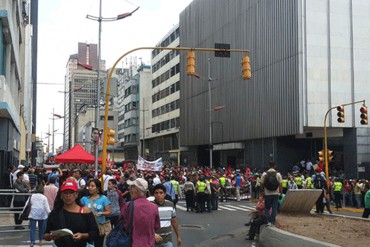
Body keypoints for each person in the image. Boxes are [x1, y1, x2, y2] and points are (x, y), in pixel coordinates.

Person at [44, 180, 99, 247]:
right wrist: (51, 236)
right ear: (61, 195)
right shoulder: (55, 213)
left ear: (76, 194)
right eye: (65, 193)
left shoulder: (85, 211)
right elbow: (46, 234)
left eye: (71, 192)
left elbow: (95, 232)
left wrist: (82, 235)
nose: (68, 196)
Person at [118, 177, 160, 247]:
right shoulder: (154, 207)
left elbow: (122, 224)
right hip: (149, 243)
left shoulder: (128, 206)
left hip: (132, 243)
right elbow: (156, 226)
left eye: (131, 187)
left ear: (135, 189)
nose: (130, 190)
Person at [80, 179, 111, 247]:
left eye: (92, 186)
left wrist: (102, 213)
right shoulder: (84, 199)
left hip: (99, 228)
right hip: (87, 228)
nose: (90, 188)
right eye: (89, 186)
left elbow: (109, 212)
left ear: (98, 188)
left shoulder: (104, 198)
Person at [260, 162, 282, 226]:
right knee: (274, 208)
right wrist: (280, 193)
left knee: (267, 208)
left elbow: (262, 184)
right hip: (276, 194)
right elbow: (280, 185)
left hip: (267, 194)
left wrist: (262, 193)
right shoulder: (278, 174)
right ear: (275, 166)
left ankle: (268, 221)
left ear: (268, 166)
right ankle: (272, 221)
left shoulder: (264, 174)